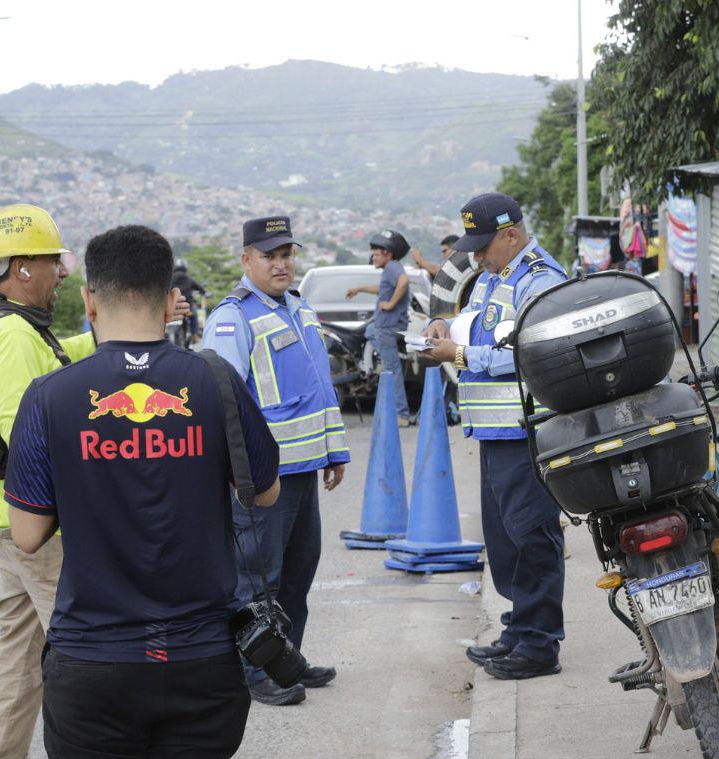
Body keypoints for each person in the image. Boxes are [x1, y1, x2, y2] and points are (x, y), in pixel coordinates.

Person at [4, 224, 280, 759]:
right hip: (201, 658)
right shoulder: (212, 382)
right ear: (168, 299)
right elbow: (266, 490)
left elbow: (27, 534)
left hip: (92, 661)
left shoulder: (53, 397)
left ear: (91, 302)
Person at [0, 203, 97, 759]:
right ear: (20, 266)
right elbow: (30, 438)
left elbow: (55, 358)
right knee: (89, 654)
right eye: (52, 260)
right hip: (41, 529)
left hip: (6, 521)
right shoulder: (11, 335)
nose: (63, 271)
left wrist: (109, 331)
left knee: (20, 650)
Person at [200, 216, 349, 705]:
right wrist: (242, 474)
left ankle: (289, 659)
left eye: (287, 253)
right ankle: (253, 670)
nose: (281, 263)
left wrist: (334, 451)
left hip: (305, 470)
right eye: (269, 255)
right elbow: (221, 401)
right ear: (247, 259)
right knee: (258, 579)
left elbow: (318, 391)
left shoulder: (298, 309)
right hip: (264, 478)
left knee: (299, 573)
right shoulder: (233, 318)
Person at [421, 192, 568, 680]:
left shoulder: (540, 281)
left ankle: (540, 644)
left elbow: (529, 351)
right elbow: (481, 330)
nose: (477, 256)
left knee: (532, 538)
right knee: (505, 541)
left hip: (526, 430)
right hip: (494, 431)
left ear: (512, 235)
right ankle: (519, 628)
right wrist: (447, 327)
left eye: (484, 246)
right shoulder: (494, 278)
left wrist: (456, 357)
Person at [346, 230, 412, 426]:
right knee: (369, 331)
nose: (372, 258)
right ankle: (383, 358)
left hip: (388, 326)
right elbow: (382, 289)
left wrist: (390, 304)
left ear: (387, 253)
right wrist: (359, 289)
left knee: (393, 371)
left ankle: (402, 415)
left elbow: (404, 282)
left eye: (375, 254)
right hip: (383, 326)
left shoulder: (392, 267)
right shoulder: (391, 269)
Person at [171, 258, 208, 347]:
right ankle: (195, 335)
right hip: (187, 307)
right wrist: (204, 294)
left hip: (174, 307)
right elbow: (201, 289)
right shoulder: (189, 280)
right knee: (194, 316)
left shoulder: (170, 280)